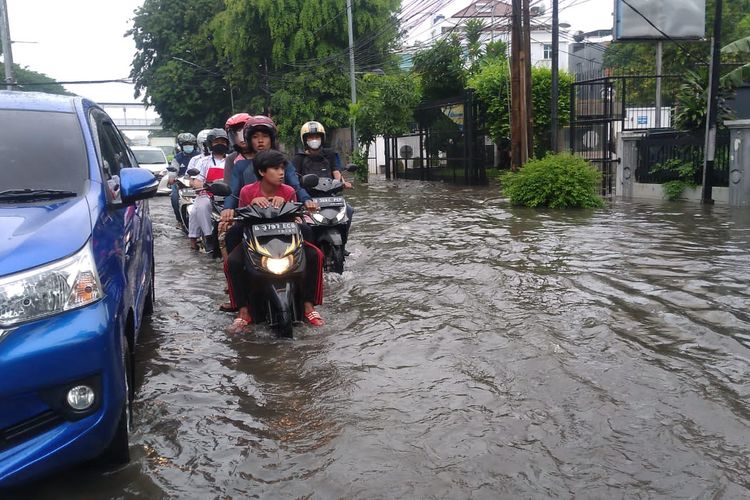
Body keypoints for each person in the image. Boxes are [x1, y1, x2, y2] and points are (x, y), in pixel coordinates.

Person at [226, 149, 325, 333]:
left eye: (282, 168)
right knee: (232, 261)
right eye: (275, 168)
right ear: (262, 172)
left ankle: (309, 305)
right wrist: (251, 205)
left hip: (285, 240)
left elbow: (296, 219)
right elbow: (241, 218)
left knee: (316, 255)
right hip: (255, 242)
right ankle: (243, 310)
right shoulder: (247, 191)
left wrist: (288, 203)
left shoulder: (288, 191)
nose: (281, 172)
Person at [293, 121, 354, 250]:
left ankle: (343, 244)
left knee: (348, 209)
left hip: (330, 196)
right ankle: (307, 246)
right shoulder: (299, 158)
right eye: (310, 137)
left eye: (317, 137)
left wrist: (342, 183)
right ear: (305, 140)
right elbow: (294, 179)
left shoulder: (330, 154)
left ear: (322, 138)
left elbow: (336, 171)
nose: (314, 140)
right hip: (309, 198)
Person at [188, 128, 230, 251]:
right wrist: (203, 185)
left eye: (223, 141)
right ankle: (209, 236)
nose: (220, 144)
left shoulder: (231, 160)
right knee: (201, 206)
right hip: (208, 193)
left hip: (228, 194)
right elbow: (196, 180)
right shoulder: (203, 161)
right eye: (217, 142)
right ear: (210, 144)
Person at [168, 132, 200, 225]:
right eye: (186, 144)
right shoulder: (177, 158)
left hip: (196, 182)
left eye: (190, 144)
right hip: (180, 183)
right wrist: (172, 177)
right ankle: (179, 220)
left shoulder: (199, 157)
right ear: (181, 146)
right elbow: (173, 171)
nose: (188, 146)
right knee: (174, 198)